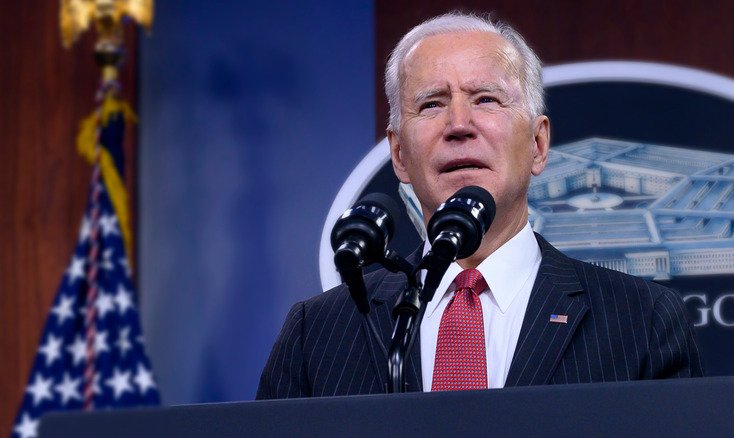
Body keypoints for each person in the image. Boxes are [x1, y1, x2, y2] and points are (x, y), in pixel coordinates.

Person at [256, 12, 704, 399]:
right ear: (398, 154)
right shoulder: (314, 335)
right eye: (431, 104)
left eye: (485, 99)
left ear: (538, 143)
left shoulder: (641, 322)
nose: (458, 124)